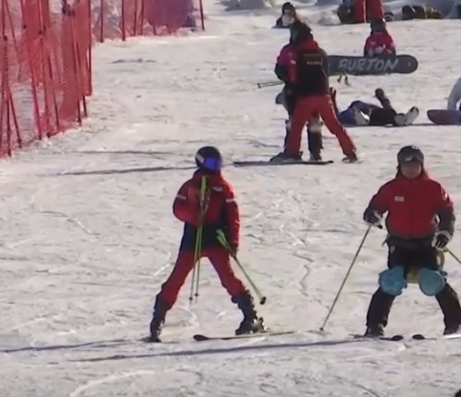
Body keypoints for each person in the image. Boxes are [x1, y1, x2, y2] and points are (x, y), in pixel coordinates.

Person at [148, 147, 263, 342]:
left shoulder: (223, 187)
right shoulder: (190, 186)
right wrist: (193, 216)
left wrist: (233, 241)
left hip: (216, 238)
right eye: (211, 164)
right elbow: (178, 208)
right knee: (177, 278)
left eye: (217, 164)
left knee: (228, 278)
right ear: (200, 163)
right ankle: (158, 319)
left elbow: (233, 215)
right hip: (193, 238)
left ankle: (250, 316)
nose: (215, 168)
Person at [361, 146, 461, 337]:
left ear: (421, 165)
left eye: (415, 165)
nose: (411, 169)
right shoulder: (391, 188)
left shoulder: (432, 188)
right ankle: (374, 325)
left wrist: (444, 233)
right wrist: (372, 215)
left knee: (434, 281)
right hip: (399, 244)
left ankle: (455, 324)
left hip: (426, 244)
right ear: (399, 166)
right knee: (392, 281)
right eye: (406, 165)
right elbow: (375, 206)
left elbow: (446, 212)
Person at [272, 22, 359, 163]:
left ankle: (292, 152)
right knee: (334, 126)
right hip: (324, 95)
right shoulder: (321, 53)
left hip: (305, 96)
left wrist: (291, 83)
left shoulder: (296, 53)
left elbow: (292, 76)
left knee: (296, 126)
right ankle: (350, 151)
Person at [275, 24, 324, 161]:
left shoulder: (312, 49)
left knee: (308, 120)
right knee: (299, 120)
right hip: (297, 90)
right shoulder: (290, 50)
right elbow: (279, 68)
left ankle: (311, 152)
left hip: (308, 89)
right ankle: (296, 150)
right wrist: (288, 79)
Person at [333, 88, 419, 127]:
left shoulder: (356, 108)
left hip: (372, 114)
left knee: (387, 112)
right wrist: (381, 95)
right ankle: (399, 120)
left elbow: (335, 115)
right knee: (388, 112)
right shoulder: (355, 108)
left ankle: (397, 119)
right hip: (373, 113)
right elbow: (386, 103)